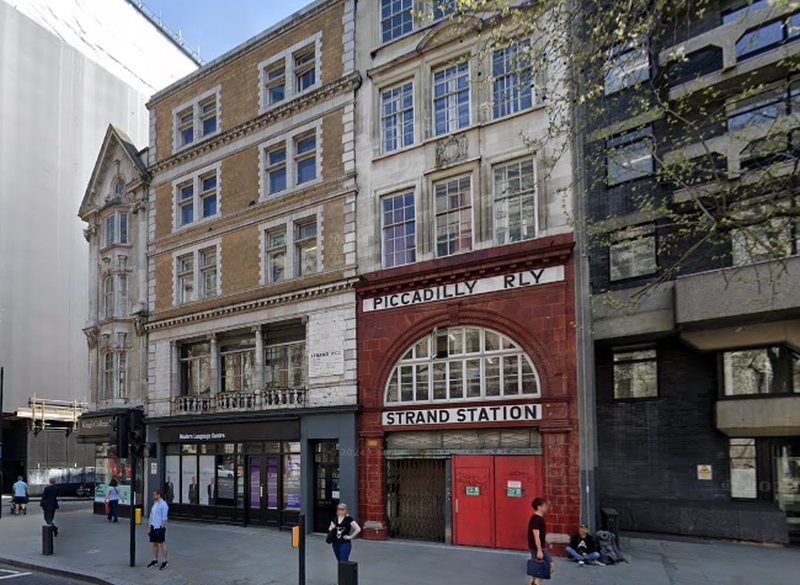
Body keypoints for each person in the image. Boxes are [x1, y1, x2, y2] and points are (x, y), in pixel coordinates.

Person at [528, 497, 555, 585]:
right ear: (539, 507)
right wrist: (539, 550)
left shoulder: (537, 518)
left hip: (535, 547)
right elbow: (536, 535)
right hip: (538, 548)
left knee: (535, 571)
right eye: (544, 506)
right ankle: (537, 583)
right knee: (551, 566)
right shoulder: (536, 519)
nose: (546, 507)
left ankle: (534, 582)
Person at [147, 489, 169, 571]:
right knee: (154, 544)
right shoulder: (155, 503)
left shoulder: (164, 505)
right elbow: (151, 515)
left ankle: (165, 561)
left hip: (159, 527)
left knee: (162, 544)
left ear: (159, 495)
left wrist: (161, 527)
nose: (153, 496)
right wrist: (149, 527)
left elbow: (164, 518)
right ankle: (155, 560)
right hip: (153, 526)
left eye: (154, 495)